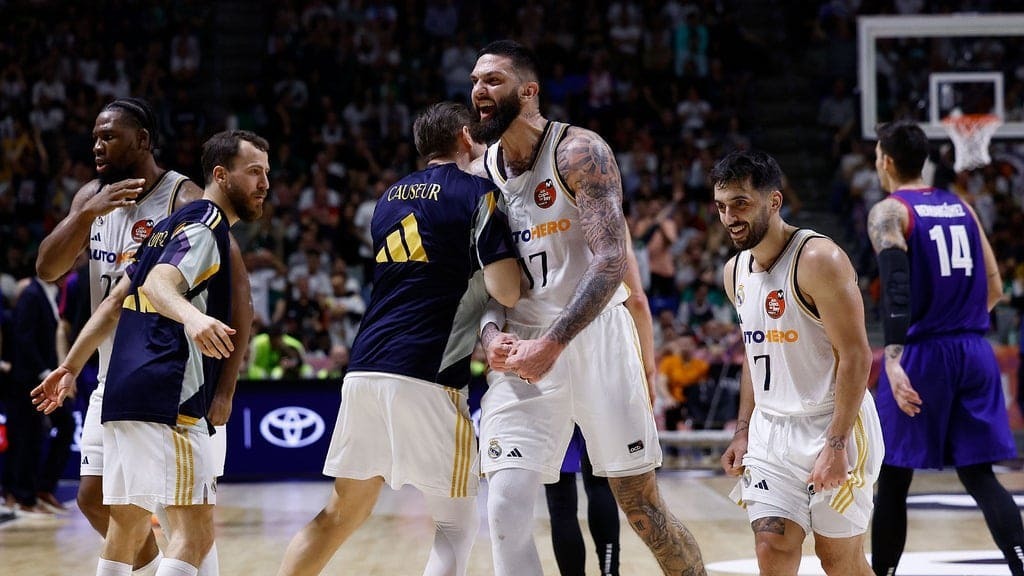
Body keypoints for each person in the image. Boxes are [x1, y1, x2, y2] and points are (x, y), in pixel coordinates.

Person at [468, 40, 705, 576]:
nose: (479, 91)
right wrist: (490, 337)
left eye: (493, 81)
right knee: (504, 506)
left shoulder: (579, 151)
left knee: (643, 510)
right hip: (520, 345)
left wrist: (554, 343)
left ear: (528, 92)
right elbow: (480, 279)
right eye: (476, 81)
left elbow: (610, 260)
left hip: (594, 337)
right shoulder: (480, 173)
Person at [275, 102, 520, 576]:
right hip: (428, 370)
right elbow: (506, 289)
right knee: (455, 525)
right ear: (467, 138)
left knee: (341, 513)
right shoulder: (477, 193)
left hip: (366, 367)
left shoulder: (388, 197)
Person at [33, 129, 269, 576]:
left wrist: (70, 365)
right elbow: (162, 284)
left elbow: (113, 303)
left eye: (267, 174)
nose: (265, 184)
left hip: (120, 390)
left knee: (126, 526)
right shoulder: (205, 224)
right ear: (221, 175)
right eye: (254, 172)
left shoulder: (167, 226)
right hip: (169, 390)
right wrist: (194, 318)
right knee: (194, 534)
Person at [867, 121, 1024, 576]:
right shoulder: (962, 207)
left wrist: (894, 358)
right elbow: (994, 287)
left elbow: (896, 288)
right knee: (979, 475)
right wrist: (960, 317)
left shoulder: (889, 212)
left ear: (887, 162)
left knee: (894, 478)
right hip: (975, 350)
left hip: (922, 353)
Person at [715, 149, 883, 575]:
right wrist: (742, 431)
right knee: (771, 546)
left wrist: (836, 445)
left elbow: (857, 355)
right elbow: (755, 356)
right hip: (771, 431)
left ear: (774, 201)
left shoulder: (818, 259)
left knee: (838, 560)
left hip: (833, 424)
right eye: (721, 206)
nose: (729, 217)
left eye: (741, 203)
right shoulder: (734, 271)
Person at [544, 427, 621, 576]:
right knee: (600, 484)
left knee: (560, 500)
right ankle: (610, 572)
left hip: (552, 408)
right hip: (593, 405)